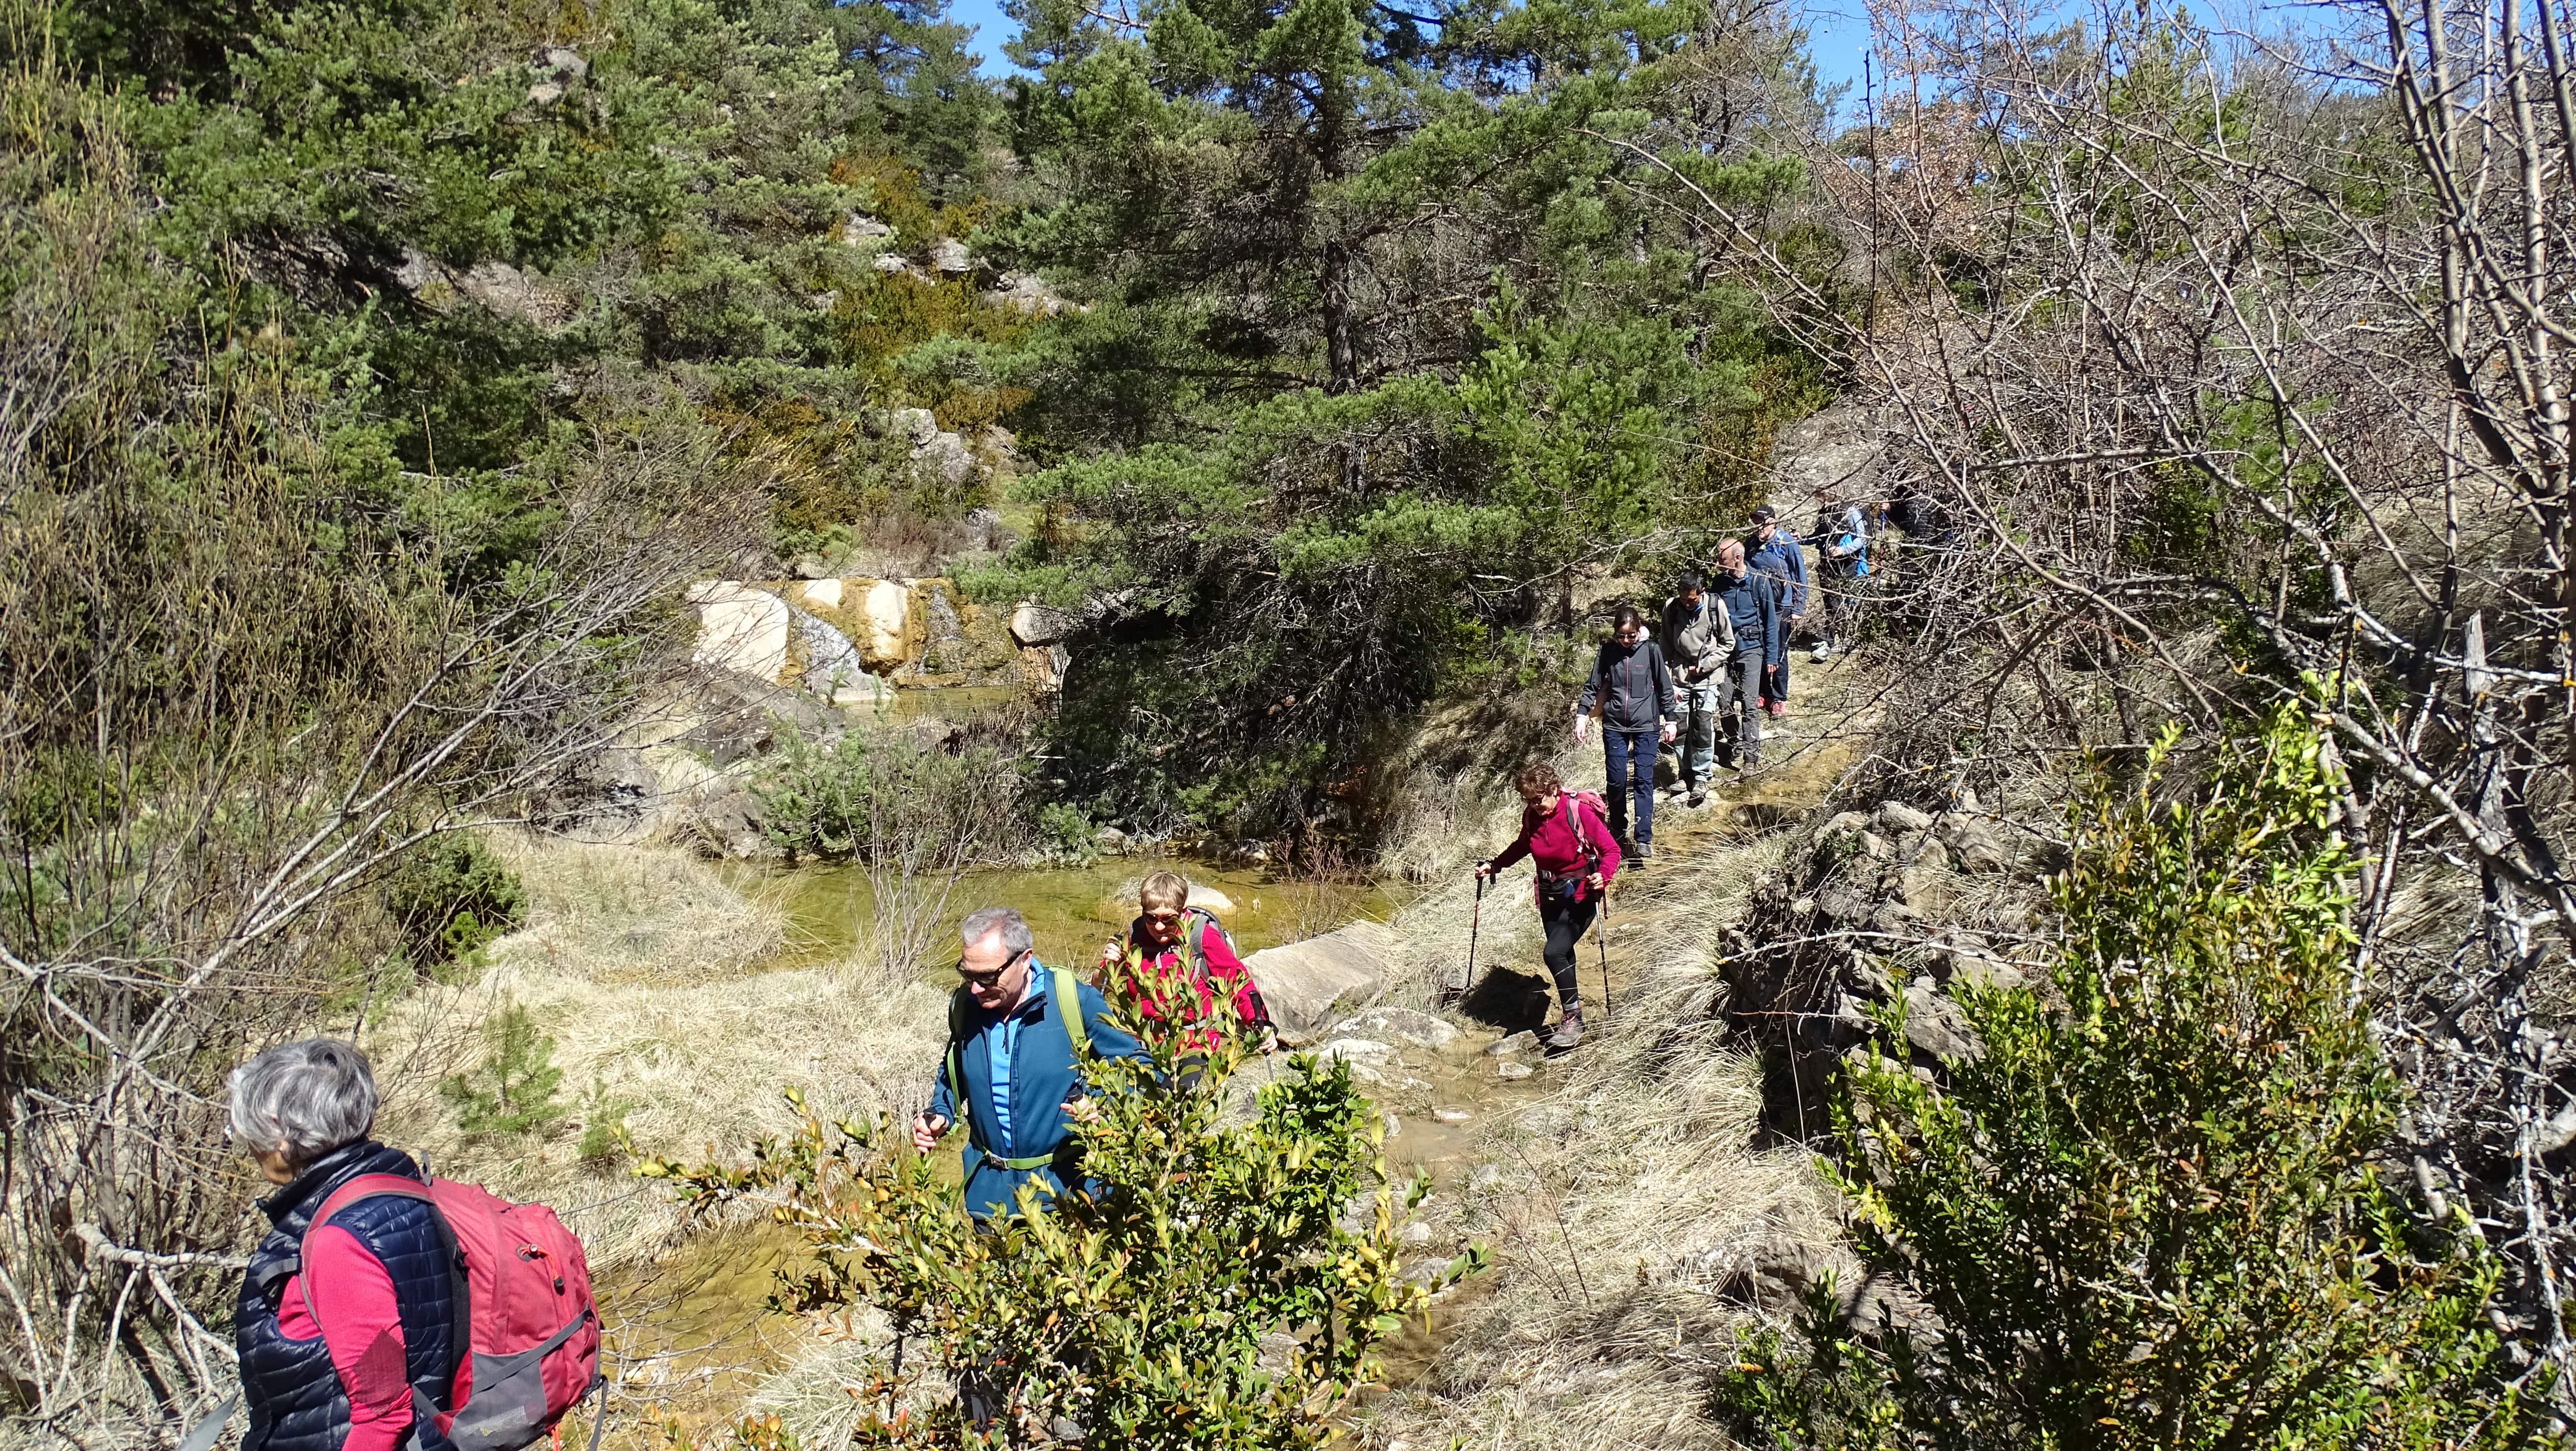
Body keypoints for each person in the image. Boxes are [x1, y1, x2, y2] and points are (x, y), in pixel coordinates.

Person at [229, 1039, 461, 1451]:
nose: (247, 1147)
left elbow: (383, 1413)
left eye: (245, 1131)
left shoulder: (339, 1242)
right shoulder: (398, 1189)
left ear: (279, 1133)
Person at [913, 906, 1150, 1223]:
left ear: (1025, 960)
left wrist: (1104, 1105)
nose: (975, 988)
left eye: (987, 977)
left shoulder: (1073, 1001)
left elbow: (1141, 1067)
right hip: (990, 1199)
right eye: (967, 974)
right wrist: (940, 1114)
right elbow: (954, 1071)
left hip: (1066, 1196)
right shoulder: (966, 1008)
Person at [1475, 760, 1621, 1049]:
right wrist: (1495, 866)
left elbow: (1611, 850)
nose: (1534, 806)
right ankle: (1574, 1011)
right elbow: (1523, 845)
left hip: (1580, 893)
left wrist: (1602, 877)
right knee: (1562, 953)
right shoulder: (1532, 816)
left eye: (1538, 799)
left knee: (1553, 952)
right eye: (1528, 801)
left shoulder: (1577, 812)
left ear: (1554, 790)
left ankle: (1572, 1018)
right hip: (1548, 893)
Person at [1097, 870, 1277, 1055]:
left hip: (1194, 1043)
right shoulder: (1135, 937)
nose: (1159, 927)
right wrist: (1108, 966)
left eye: (1168, 919)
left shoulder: (1202, 937)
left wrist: (1259, 1023)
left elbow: (1237, 983)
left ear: (1183, 912)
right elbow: (1098, 990)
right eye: (1151, 918)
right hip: (1143, 1040)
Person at [1573, 603, 1679, 859]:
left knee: (1644, 780)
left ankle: (1644, 838)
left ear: (1639, 630)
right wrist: (1582, 716)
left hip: (1647, 725)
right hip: (1615, 725)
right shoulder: (1608, 652)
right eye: (1621, 636)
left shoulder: (1651, 651)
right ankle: (1618, 832)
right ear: (1615, 634)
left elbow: (1664, 687)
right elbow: (1592, 685)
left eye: (1631, 635)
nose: (1626, 641)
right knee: (1617, 781)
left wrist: (1672, 720)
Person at [1659, 571, 1737, 808]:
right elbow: (1665, 644)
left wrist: (1705, 666)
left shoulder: (1716, 607)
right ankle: (1685, 774)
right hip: (1680, 676)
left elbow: (1728, 643)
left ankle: (1702, 776)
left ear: (1701, 593)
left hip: (1709, 677)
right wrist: (1666, 676)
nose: (1687, 604)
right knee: (1680, 724)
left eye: (1691, 600)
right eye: (1683, 599)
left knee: (1703, 725)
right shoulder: (1671, 608)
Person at [1710, 538, 1783, 776]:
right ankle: (1734, 744)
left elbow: (1771, 622)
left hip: (1752, 650)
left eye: (1722, 560)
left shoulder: (1760, 583)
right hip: (1725, 652)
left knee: (1750, 705)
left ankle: (1751, 759)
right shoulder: (1719, 584)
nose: (1718, 564)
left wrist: (1772, 658)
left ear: (1738, 558)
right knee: (1725, 703)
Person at [1748, 504, 1808, 717]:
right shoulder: (1752, 544)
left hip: (1783, 606)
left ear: (1773, 521)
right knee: (1761, 648)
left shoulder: (1787, 543)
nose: (1758, 527)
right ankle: (1764, 693)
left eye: (1762, 523)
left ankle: (1780, 698)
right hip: (1759, 606)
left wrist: (1798, 607)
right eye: (1755, 523)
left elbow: (1801, 576)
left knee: (1779, 652)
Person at [1810, 490, 1872, 662]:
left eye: (1822, 495)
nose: (1821, 499)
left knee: (1840, 603)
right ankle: (1838, 640)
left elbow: (1862, 538)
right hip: (1827, 564)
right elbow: (1818, 537)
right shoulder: (1825, 512)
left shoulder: (1850, 511)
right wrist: (1800, 540)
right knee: (1832, 604)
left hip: (1846, 565)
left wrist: (1843, 550)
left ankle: (1831, 641)